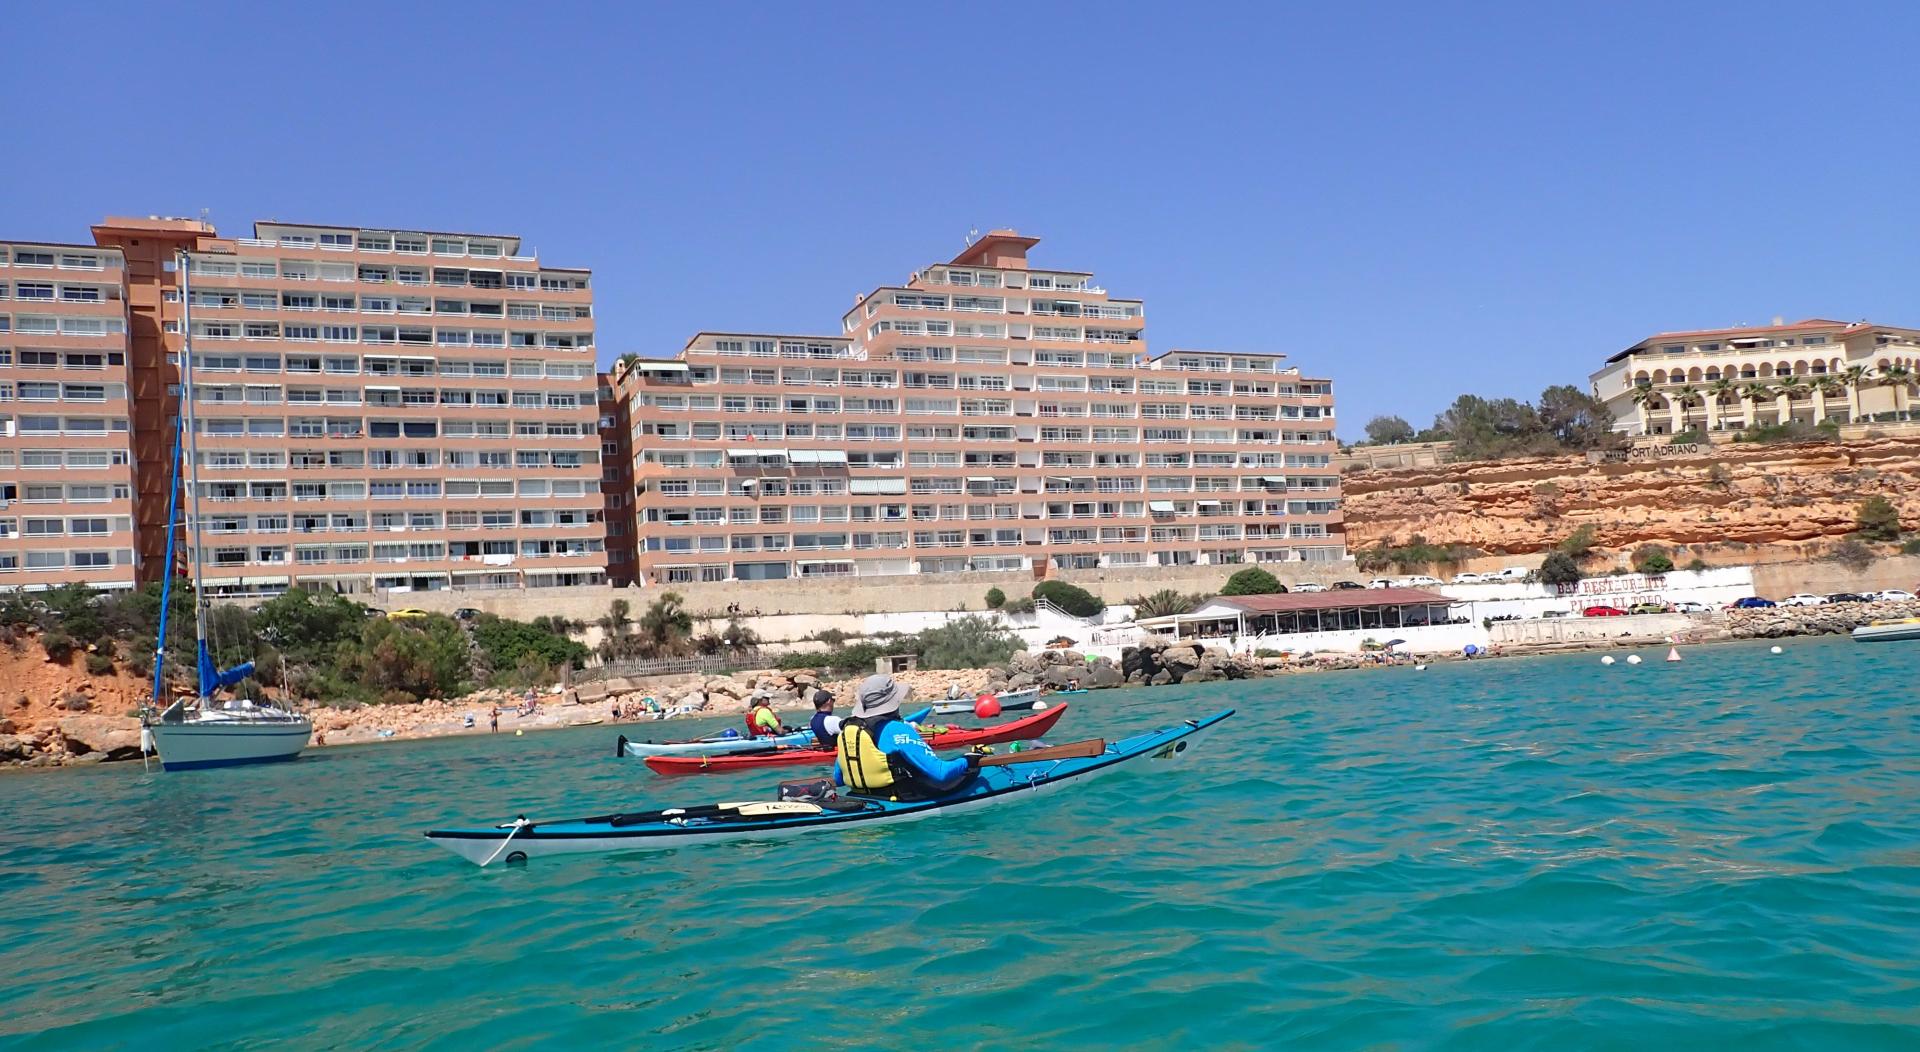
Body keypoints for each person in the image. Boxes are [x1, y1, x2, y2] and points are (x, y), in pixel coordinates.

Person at [835, 674, 978, 800]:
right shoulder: (897, 729)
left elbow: (839, 779)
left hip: (859, 796)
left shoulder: (847, 731)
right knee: (973, 771)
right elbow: (941, 773)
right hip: (900, 797)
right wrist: (968, 759)